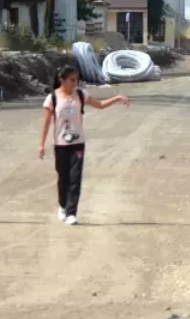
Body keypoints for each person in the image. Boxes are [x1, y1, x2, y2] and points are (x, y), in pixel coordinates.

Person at [38, 66, 130, 225]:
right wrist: (41, 144)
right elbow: (45, 123)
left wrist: (117, 98)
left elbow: (99, 105)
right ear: (63, 80)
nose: (75, 83)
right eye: (72, 80)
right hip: (61, 144)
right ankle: (62, 206)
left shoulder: (80, 95)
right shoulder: (52, 98)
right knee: (63, 178)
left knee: (75, 177)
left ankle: (72, 213)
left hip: (78, 143)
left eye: (76, 79)